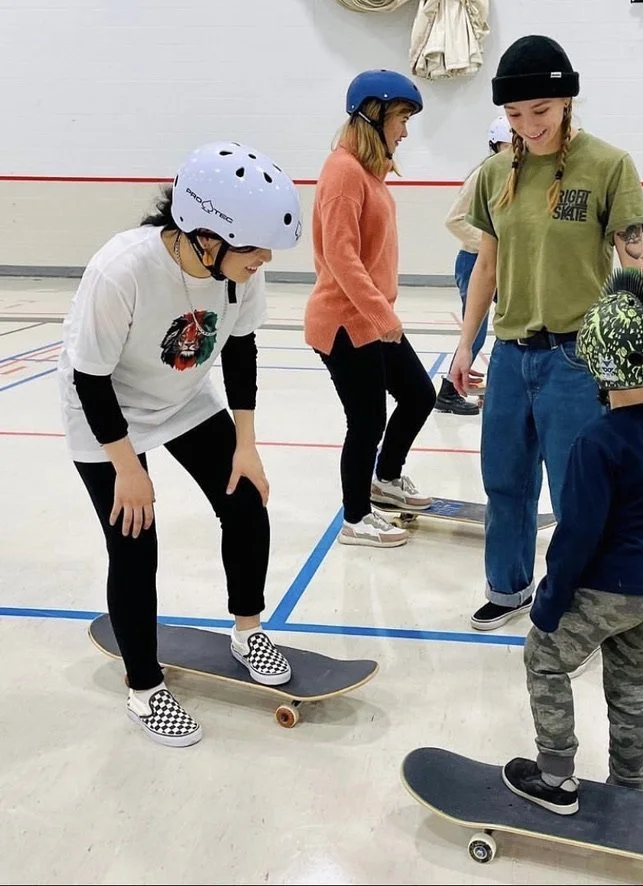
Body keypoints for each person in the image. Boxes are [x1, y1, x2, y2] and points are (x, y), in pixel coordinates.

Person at [57, 142, 304, 747]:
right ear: (203, 235)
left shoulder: (241, 274)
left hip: (184, 397)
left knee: (245, 501)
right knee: (134, 538)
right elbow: (90, 377)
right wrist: (126, 467)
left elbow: (241, 349)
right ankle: (144, 688)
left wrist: (245, 443)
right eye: (253, 246)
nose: (265, 259)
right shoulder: (123, 270)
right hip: (105, 409)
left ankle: (248, 630)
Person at [448, 35, 643, 631]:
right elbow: (486, 265)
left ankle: (578, 598)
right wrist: (468, 342)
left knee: (577, 493)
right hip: (513, 356)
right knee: (505, 483)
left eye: (540, 111)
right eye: (515, 115)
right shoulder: (495, 174)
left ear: (567, 101)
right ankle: (508, 588)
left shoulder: (609, 165)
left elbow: (634, 260)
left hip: (578, 358)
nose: (528, 125)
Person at [502, 268, 643, 814]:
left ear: (599, 362)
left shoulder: (597, 440)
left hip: (613, 585)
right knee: (632, 689)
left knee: (544, 657)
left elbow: (578, 533)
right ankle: (629, 790)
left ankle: (556, 777)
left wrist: (552, 599)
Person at [305, 69, 436, 548]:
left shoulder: (365, 171)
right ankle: (356, 518)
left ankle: (385, 479)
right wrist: (384, 317)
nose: (405, 130)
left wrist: (381, 314)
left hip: (369, 317)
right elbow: (341, 257)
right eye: (402, 118)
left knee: (420, 395)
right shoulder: (342, 171)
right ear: (373, 116)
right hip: (344, 321)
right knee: (366, 421)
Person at [434, 115, 513, 416]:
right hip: (474, 262)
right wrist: (493, 245)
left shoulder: (511, 172)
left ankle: (498, 389)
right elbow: (454, 220)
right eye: (510, 143)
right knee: (475, 333)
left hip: (500, 263)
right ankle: (449, 394)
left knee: (511, 326)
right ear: (497, 143)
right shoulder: (484, 174)